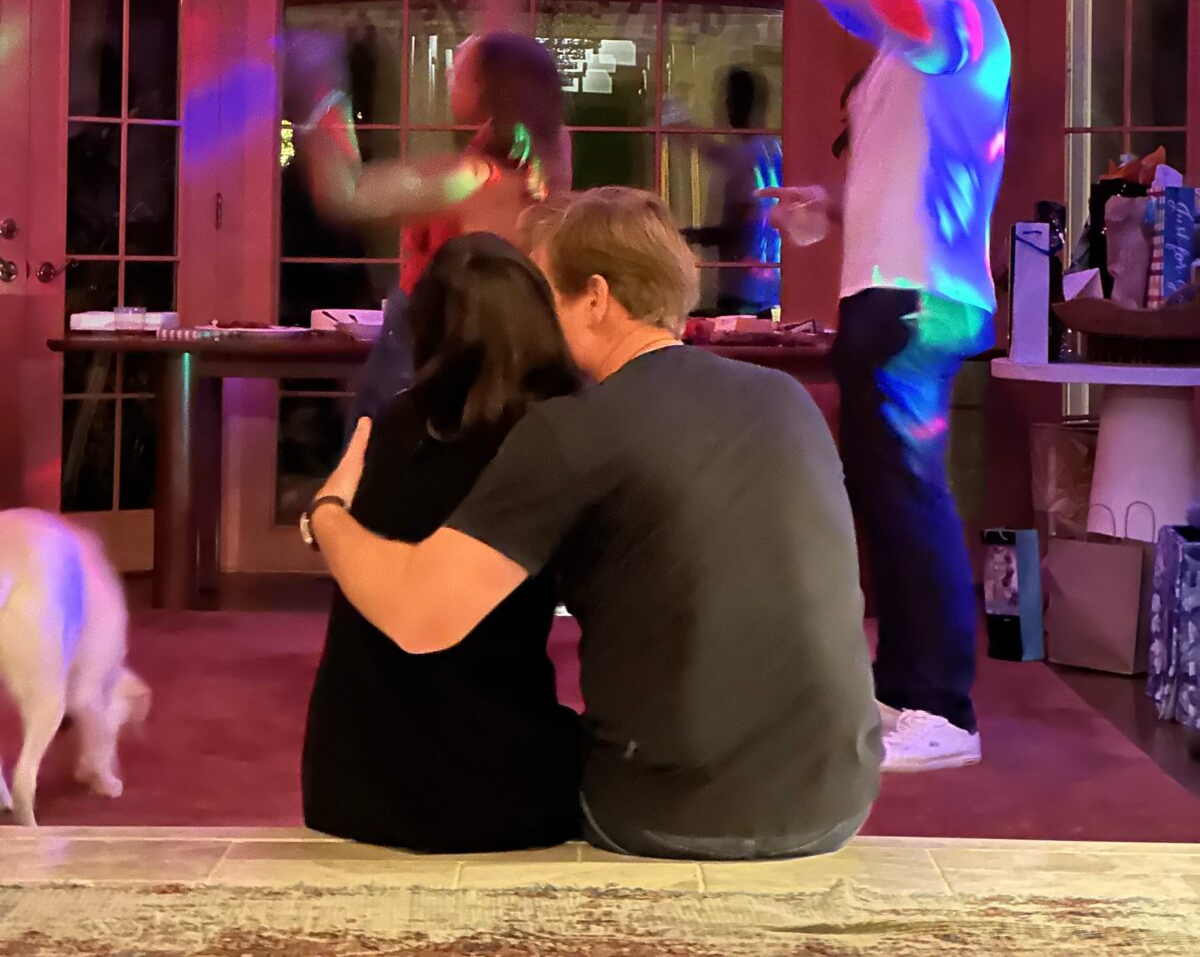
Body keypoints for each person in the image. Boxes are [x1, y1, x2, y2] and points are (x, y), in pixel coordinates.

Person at [306, 188, 881, 861]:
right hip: (839, 799)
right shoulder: (787, 399)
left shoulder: (572, 430)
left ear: (597, 297)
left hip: (669, 812)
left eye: (542, 289)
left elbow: (417, 614)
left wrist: (330, 513)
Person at [740, 0, 1010, 774]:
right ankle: (903, 694)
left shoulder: (964, 9)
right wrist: (828, 202)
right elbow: (900, 181)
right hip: (878, 293)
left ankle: (943, 707)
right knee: (885, 499)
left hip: (922, 299)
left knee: (909, 495)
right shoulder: (899, 56)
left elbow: (885, 7)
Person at [301, 233, 583, 852]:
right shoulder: (555, 437)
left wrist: (323, 512)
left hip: (349, 784)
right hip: (488, 790)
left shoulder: (398, 424)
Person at [285, 27, 573, 427]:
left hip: (433, 356)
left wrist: (323, 95)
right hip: (505, 357)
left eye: (461, 66)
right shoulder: (547, 161)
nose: (451, 72)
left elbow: (348, 194)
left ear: (491, 86)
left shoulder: (476, 177)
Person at [668, 67, 782, 316]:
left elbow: (736, 229)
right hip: (765, 288)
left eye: (728, 100)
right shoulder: (771, 148)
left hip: (744, 292)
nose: (723, 108)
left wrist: (677, 236)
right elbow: (714, 153)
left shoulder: (749, 156)